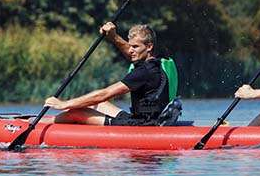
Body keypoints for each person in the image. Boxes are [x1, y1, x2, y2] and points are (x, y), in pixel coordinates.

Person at [43, 23, 178, 126]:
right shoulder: (158, 60)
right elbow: (132, 52)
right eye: (130, 46)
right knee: (97, 105)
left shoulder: (143, 72)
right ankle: (48, 120)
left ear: (149, 47)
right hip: (147, 119)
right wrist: (113, 36)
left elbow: (104, 94)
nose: (130, 50)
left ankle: (42, 124)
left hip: (141, 125)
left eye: (135, 47)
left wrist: (64, 104)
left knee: (76, 112)